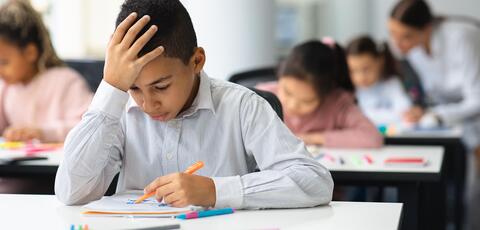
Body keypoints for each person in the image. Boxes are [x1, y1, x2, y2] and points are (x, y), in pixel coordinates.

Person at [55, 0, 333, 209]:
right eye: (134, 88)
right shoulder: (119, 110)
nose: (148, 104)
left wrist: (216, 191)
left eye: (161, 86)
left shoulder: (242, 106)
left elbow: (315, 181)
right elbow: (72, 192)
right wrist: (112, 88)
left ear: (197, 61)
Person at [257, 38, 383, 148]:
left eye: (307, 101)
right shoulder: (261, 97)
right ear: (280, 77)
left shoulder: (337, 104)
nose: (292, 105)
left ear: (326, 94)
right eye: (287, 92)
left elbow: (372, 137)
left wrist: (311, 138)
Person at [0, 0, 92, 143]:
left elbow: (90, 127)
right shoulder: (6, 88)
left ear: (30, 53)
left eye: (3, 62)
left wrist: (43, 133)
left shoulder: (66, 81)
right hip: (19, 165)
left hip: (56, 164)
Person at [346, 35, 411, 126]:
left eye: (366, 69)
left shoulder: (391, 84)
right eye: (353, 71)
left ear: (380, 61)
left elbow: (405, 113)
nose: (360, 77)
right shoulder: (348, 91)